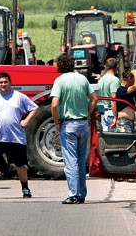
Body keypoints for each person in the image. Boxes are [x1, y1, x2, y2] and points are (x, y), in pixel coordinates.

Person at [0, 72, 39, 200]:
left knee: (20, 165)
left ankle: (25, 189)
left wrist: (26, 121)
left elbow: (34, 108)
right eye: (1, 82)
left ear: (10, 83)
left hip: (15, 138)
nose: (3, 85)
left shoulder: (19, 97)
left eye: (6, 82)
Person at [51, 53, 98, 205]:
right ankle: (82, 193)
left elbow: (54, 104)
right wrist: (87, 111)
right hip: (83, 123)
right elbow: (94, 99)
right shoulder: (82, 79)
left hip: (68, 124)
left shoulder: (60, 81)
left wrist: (57, 121)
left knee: (70, 162)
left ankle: (73, 194)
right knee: (80, 160)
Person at [97, 58, 120, 131]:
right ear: (117, 67)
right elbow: (113, 99)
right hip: (111, 113)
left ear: (105, 67)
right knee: (114, 140)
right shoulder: (114, 80)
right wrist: (116, 117)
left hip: (103, 113)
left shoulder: (101, 80)